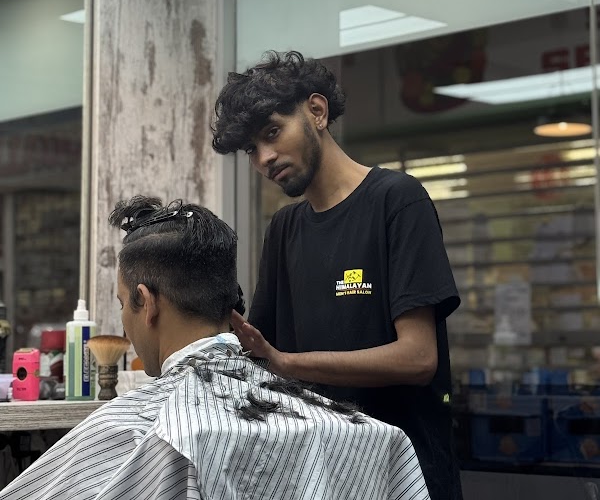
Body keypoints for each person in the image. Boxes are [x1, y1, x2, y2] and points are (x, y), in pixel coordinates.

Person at [0, 196, 430, 500]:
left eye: (122, 305)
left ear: (146, 303)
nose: (125, 324)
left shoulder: (144, 431)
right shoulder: (374, 436)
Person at [212, 51, 463, 500]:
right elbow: (259, 355)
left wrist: (288, 363)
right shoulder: (285, 229)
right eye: (252, 149)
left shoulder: (397, 201)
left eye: (272, 133)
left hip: (402, 478)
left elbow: (418, 358)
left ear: (317, 111)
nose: (265, 158)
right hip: (319, 475)